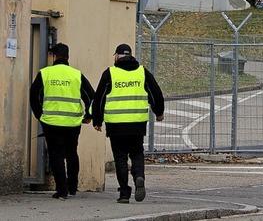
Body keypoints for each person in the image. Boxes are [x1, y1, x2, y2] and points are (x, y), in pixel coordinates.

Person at [92, 43, 164, 204]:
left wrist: (97, 120)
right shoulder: (142, 72)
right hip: (137, 124)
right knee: (137, 153)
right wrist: (158, 112)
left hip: (116, 126)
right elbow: (155, 93)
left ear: (117, 56)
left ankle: (124, 193)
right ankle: (139, 176)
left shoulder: (110, 73)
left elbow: (99, 98)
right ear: (131, 55)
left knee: (120, 158)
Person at [29, 43, 95, 200]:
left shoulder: (45, 74)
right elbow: (91, 96)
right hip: (72, 123)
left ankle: (61, 190)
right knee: (72, 153)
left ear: (53, 56)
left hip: (51, 122)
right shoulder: (76, 74)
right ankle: (72, 187)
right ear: (68, 56)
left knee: (56, 155)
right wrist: (88, 116)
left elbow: (34, 95)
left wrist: (40, 115)